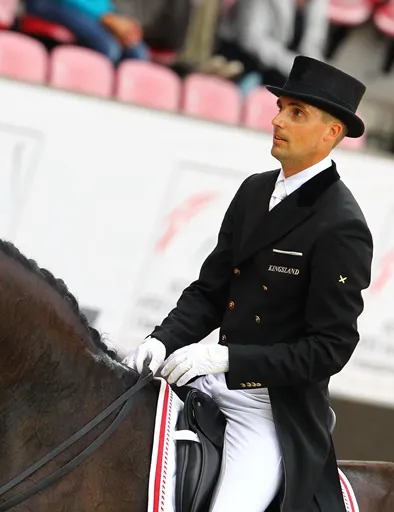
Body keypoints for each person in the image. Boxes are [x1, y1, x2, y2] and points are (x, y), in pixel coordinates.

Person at [122, 56, 373, 512]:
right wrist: (161, 342)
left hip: (268, 410)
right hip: (206, 379)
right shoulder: (253, 191)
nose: (276, 120)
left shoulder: (341, 225)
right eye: (281, 107)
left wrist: (229, 358)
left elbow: (330, 349)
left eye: (296, 112)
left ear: (331, 133)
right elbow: (210, 291)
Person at [215, 0, 329, 89]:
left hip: (287, 70)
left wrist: (318, 71)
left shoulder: (319, 3)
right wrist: (294, 64)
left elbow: (312, 46)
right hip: (245, 62)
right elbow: (251, 40)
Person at [23, 0, 149, 64]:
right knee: (107, 47)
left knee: (137, 52)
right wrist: (107, 18)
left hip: (92, 9)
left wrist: (116, 18)